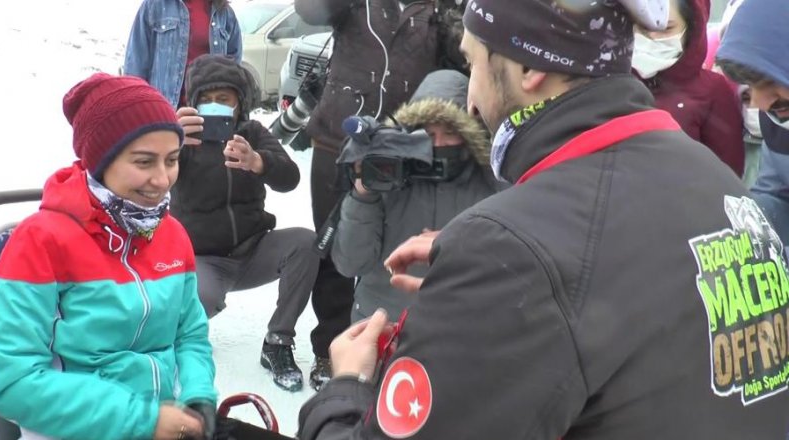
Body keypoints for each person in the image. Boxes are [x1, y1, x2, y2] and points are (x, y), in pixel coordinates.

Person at [297, 0, 789, 438]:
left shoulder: (512, 248)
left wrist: (346, 390)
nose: (470, 99)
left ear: (529, 65)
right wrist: (493, 278)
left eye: (473, 64)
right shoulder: (720, 186)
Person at [0, 73, 217, 440]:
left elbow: (190, 334)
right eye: (143, 162)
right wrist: (142, 420)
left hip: (164, 419)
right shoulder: (40, 242)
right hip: (73, 428)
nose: (162, 179)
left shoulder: (171, 235)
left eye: (171, 160)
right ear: (100, 161)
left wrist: (199, 394)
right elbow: (14, 381)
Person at [293, 0, 468, 392]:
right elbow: (309, 10)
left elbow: (463, 53)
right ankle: (331, 349)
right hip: (336, 141)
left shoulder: (438, 9)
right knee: (334, 250)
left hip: (402, 149)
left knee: (388, 248)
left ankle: (385, 342)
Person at [173, 54, 319, 392]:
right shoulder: (181, 140)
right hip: (203, 261)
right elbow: (148, 181)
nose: (215, 107)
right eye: (206, 101)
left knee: (306, 244)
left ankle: (277, 341)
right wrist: (170, 142)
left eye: (223, 100)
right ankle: (179, 337)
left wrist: (258, 162)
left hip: (253, 251)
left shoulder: (252, 133)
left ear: (239, 102)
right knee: (201, 297)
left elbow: (290, 177)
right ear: (193, 104)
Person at [331, 69, 497, 322]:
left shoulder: (490, 183)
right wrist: (363, 193)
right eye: (428, 135)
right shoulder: (389, 178)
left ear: (468, 135)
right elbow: (351, 264)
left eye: (450, 133)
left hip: (464, 326)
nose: (438, 144)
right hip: (382, 322)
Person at [632, 0, 745, 176]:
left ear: (691, 30)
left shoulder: (713, 90)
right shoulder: (615, 84)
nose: (652, 37)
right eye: (642, 28)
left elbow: (728, 173)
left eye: (666, 29)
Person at [716, 0, 789, 242]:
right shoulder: (777, 118)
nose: (759, 102)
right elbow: (777, 195)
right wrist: (732, 223)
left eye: (771, 85)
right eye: (751, 86)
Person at [124, 0, 242, 109]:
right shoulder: (155, 5)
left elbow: (234, 72)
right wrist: (136, 111)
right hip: (165, 111)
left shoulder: (225, 13)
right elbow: (135, 66)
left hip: (208, 113)